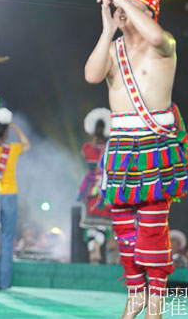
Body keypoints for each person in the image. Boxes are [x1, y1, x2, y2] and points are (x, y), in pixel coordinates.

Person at [84, 0, 188, 319]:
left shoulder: (161, 41)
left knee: (152, 225)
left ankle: (156, 300)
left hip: (155, 140)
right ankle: (134, 294)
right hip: (121, 143)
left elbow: (153, 32)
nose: (121, 14)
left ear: (145, 11)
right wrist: (106, 29)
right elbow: (90, 75)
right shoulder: (115, 48)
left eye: (127, 9)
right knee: (122, 225)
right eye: (119, 9)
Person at [0, 107, 30, 290]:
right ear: (5, 133)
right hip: (10, 196)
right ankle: (3, 283)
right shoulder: (11, 149)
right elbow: (27, 145)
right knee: (7, 238)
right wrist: (13, 126)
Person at [77, 107, 113, 265]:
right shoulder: (110, 148)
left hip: (92, 187)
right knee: (102, 224)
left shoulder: (86, 148)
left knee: (92, 224)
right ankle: (96, 247)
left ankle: (94, 250)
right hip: (104, 187)